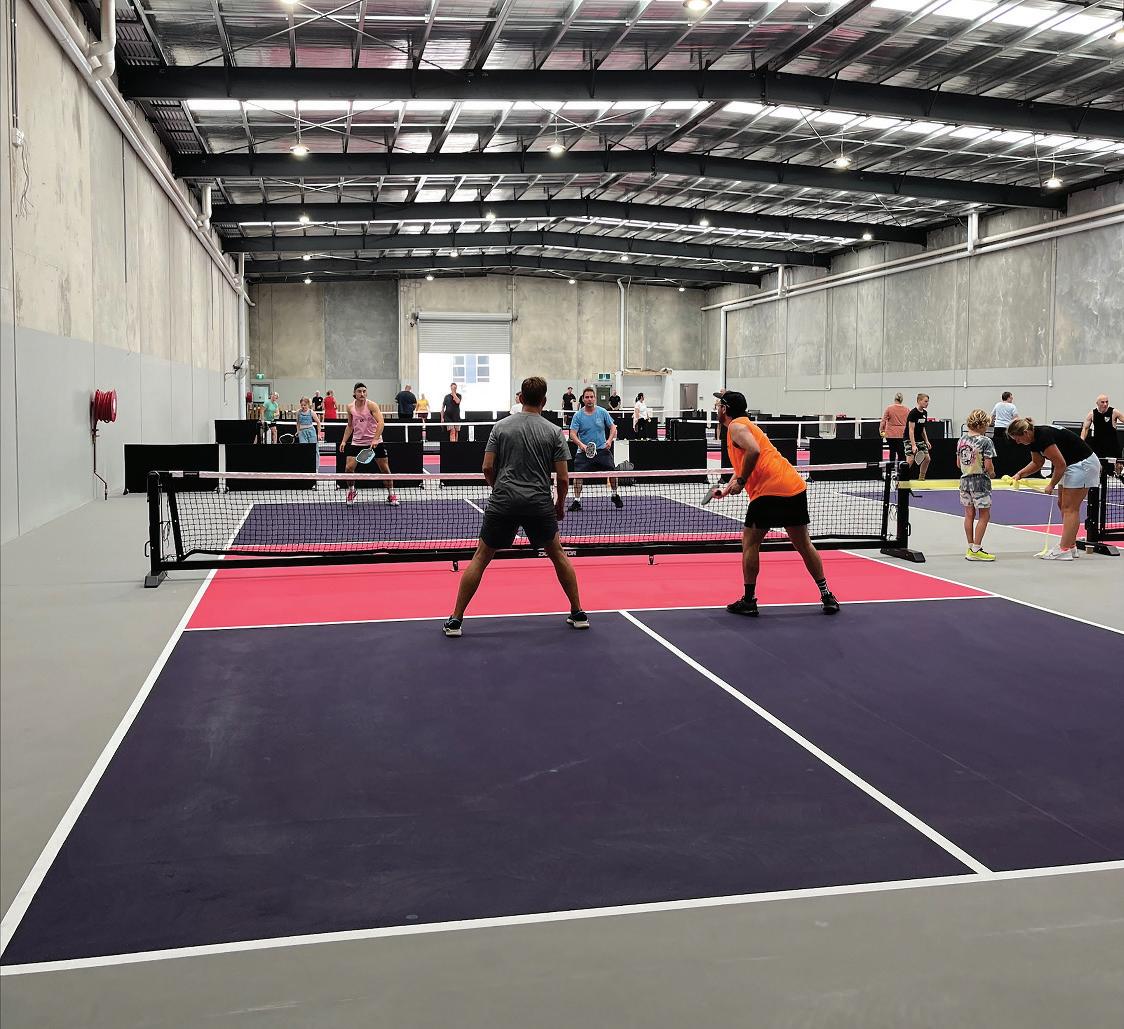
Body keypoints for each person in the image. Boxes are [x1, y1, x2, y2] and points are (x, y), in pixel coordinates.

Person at [443, 377, 587, 637]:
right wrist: (560, 505)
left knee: (481, 557)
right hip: (539, 503)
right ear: (544, 401)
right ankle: (578, 613)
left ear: (520, 399)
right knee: (558, 554)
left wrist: (498, 488)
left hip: (503, 501)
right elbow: (564, 478)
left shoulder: (500, 427)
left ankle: (455, 620)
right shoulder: (554, 432)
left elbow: (487, 467)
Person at [712, 391, 839, 616]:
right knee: (804, 544)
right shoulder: (746, 426)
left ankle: (749, 600)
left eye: (718, 405)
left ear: (725, 409)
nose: (716, 408)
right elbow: (743, 464)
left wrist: (741, 482)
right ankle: (827, 594)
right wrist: (728, 487)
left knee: (750, 543)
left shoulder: (736, 428)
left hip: (768, 491)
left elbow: (754, 451)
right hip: (792, 487)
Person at [1008, 416, 1099, 560]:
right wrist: (1019, 474)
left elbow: (1060, 465)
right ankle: (1071, 545)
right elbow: (1037, 463)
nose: (1017, 442)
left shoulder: (1043, 436)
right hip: (1071, 465)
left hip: (1083, 464)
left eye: (1018, 438)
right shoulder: (1033, 440)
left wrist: (1051, 484)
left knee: (1070, 508)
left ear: (1025, 433)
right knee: (1062, 504)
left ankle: (1063, 549)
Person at [339, 382, 398, 506]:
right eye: (359, 391)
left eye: (364, 391)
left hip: (375, 442)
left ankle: (391, 494)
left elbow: (381, 422)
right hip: (357, 442)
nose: (362, 393)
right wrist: (344, 441)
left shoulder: (371, 405)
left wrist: (375, 439)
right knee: (349, 468)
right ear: (354, 393)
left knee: (385, 469)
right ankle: (352, 491)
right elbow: (350, 426)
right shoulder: (350, 407)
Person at [568, 387, 623, 511]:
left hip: (602, 450)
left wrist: (609, 440)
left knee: (613, 473)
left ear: (595, 398)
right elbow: (572, 434)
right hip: (583, 452)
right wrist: (581, 445)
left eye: (591, 397)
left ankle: (615, 495)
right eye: (587, 397)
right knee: (578, 476)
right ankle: (577, 501)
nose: (589, 399)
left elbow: (613, 427)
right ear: (583, 399)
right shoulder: (578, 416)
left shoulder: (602, 412)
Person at [956, 409, 997, 562]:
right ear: (982, 425)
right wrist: (992, 474)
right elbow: (988, 465)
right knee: (984, 515)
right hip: (980, 482)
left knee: (969, 514)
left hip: (964, 482)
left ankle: (970, 546)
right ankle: (976, 549)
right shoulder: (986, 441)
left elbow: (958, 463)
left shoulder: (961, 440)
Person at [1081, 394, 1123, 475]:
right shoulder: (1092, 414)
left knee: (1118, 465)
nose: (1105, 404)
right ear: (1097, 403)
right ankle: (1100, 478)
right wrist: (1081, 441)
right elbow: (1085, 429)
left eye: (1107, 402)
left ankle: (1119, 476)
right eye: (1102, 402)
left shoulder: (1114, 412)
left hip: (1113, 444)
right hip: (1098, 444)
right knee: (1099, 465)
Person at [903, 393, 932, 488]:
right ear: (919, 401)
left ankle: (921, 479)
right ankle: (901, 480)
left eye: (928, 401)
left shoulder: (925, 413)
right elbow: (911, 430)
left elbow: (923, 429)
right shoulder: (913, 413)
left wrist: (926, 441)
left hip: (920, 439)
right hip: (909, 439)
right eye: (925, 401)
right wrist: (913, 445)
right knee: (910, 460)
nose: (927, 403)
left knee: (927, 459)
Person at [879, 393, 909, 464]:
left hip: (890, 434)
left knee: (892, 451)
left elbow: (883, 421)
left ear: (895, 399)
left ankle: (891, 467)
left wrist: (881, 430)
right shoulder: (907, 409)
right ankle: (901, 468)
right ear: (902, 400)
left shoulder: (889, 408)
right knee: (901, 452)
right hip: (902, 434)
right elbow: (909, 422)